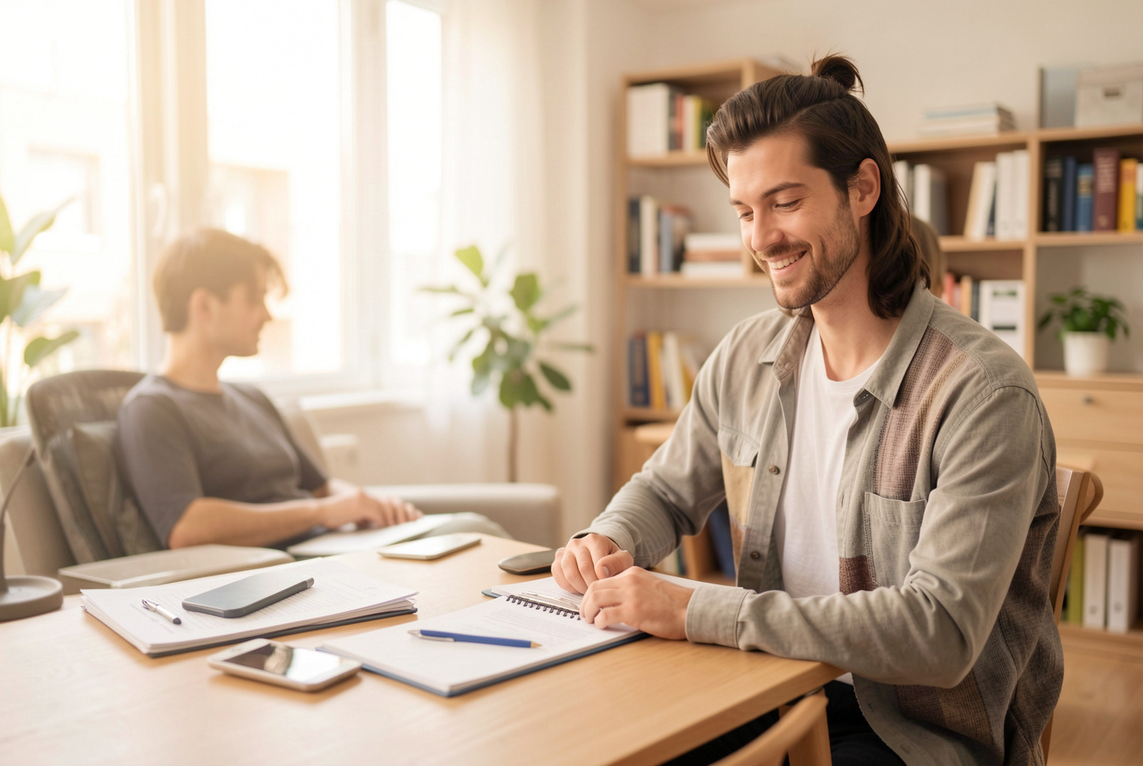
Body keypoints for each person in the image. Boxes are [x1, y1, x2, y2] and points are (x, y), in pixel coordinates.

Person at [552, 56, 1060, 766]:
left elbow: (939, 633)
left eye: (785, 203)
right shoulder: (745, 356)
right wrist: (609, 539)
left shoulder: (981, 392)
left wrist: (694, 609)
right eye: (744, 211)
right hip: (767, 681)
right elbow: (666, 489)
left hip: (914, 731)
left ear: (862, 188)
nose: (760, 238)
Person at [117, 228, 505, 550]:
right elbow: (185, 528)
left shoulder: (251, 398)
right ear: (203, 306)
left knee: (470, 532)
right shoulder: (152, 409)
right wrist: (323, 514)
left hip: (332, 544)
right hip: (288, 564)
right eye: (254, 299)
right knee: (473, 535)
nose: (267, 315)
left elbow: (321, 488)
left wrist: (370, 505)